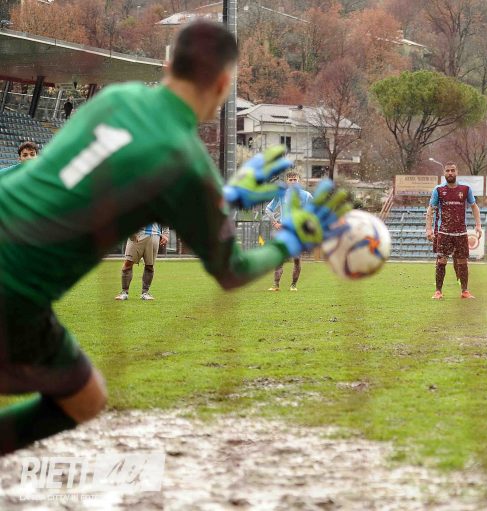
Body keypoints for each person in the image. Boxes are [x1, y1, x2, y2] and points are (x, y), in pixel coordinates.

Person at [0, 20, 351, 455]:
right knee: (83, 398)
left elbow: (100, 180)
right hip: (13, 291)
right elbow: (231, 270)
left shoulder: (115, 98)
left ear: (168, 65)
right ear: (223, 84)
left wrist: (224, 198)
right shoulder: (184, 160)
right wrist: (289, 242)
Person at [425, 162, 482, 300]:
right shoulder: (439, 190)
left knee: (462, 261)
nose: (450, 173)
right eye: (447, 171)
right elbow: (430, 209)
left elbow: (474, 206)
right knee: (441, 260)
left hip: (461, 232)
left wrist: (478, 225)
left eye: (452, 170)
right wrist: (428, 229)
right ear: (444, 173)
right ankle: (438, 291)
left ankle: (465, 291)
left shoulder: (465, 189)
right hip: (444, 232)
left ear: (457, 172)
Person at [264, 170, 313, 291]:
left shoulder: (306, 195)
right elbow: (268, 209)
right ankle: (276, 285)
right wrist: (275, 222)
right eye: (291, 180)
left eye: (295, 179)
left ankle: (293, 285)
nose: (293, 182)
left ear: (299, 181)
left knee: (296, 258)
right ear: (287, 181)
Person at [114, 223, 170, 301]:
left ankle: (145, 293)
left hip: (154, 235)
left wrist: (166, 234)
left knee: (150, 266)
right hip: (137, 234)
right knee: (128, 264)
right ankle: (124, 292)